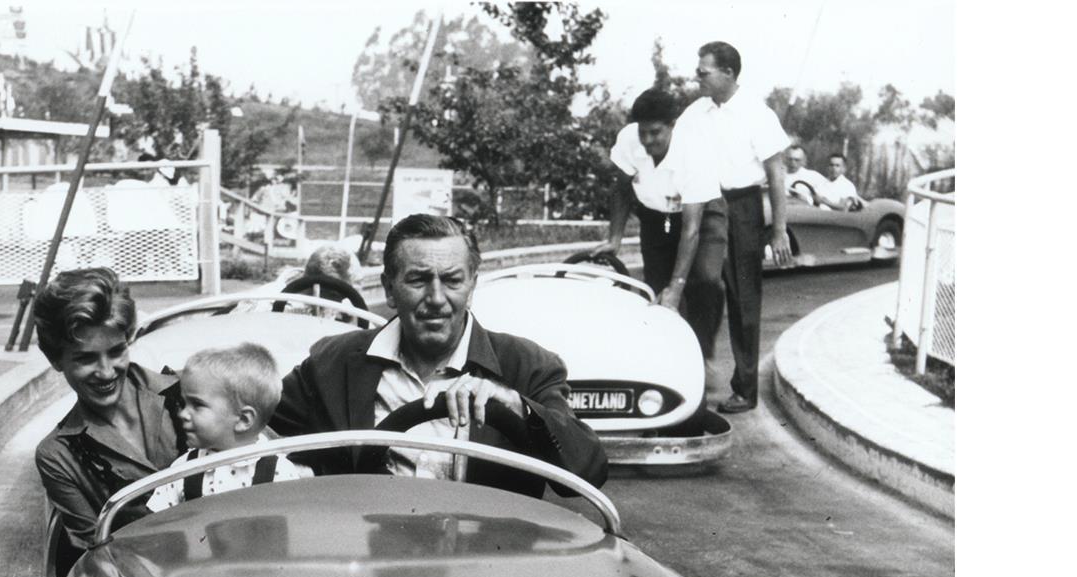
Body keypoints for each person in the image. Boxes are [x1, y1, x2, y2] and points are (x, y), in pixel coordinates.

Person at [272, 213, 607, 492]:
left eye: (452, 281)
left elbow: (587, 471)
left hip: (486, 558)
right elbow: (254, 419)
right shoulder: (333, 361)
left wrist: (515, 405)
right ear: (389, 289)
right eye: (418, 280)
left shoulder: (527, 365)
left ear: (472, 285)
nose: (436, 297)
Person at [32, 268, 181, 572]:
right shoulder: (58, 455)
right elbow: (98, 556)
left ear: (129, 340)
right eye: (86, 358)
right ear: (56, 360)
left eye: (116, 351)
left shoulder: (188, 391)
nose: (106, 372)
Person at [674, 40, 793, 414]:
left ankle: (745, 388)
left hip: (743, 205)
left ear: (728, 72)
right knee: (701, 287)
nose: (698, 76)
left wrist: (778, 231)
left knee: (744, 299)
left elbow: (776, 174)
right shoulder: (694, 114)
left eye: (704, 71)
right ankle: (691, 378)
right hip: (703, 204)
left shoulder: (757, 114)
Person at [596, 87, 727, 362]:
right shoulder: (629, 139)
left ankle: (702, 358)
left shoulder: (695, 150)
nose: (646, 140)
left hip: (701, 216)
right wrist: (615, 238)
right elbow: (621, 188)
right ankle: (665, 361)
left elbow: (690, 231)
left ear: (672, 125)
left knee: (704, 280)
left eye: (655, 133)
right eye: (642, 132)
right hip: (656, 215)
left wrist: (677, 286)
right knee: (655, 289)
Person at [145, 344, 311, 513]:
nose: (183, 414)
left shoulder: (278, 473)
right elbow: (155, 525)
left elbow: (292, 525)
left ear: (243, 419)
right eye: (184, 403)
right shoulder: (183, 470)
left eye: (197, 405)